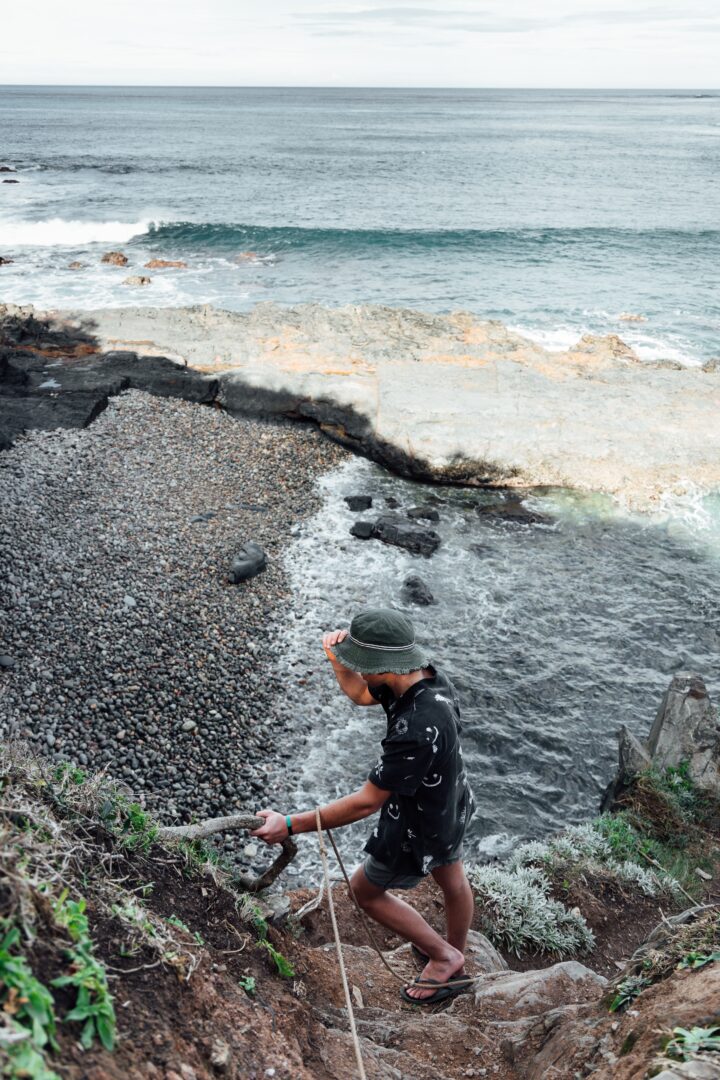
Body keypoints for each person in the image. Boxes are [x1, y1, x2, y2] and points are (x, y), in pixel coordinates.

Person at [251, 607, 476, 1004]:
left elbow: (365, 803)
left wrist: (289, 823)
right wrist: (339, 663)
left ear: (385, 666)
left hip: (417, 821)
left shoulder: (416, 729)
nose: (361, 673)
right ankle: (453, 955)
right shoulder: (426, 679)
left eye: (364, 665)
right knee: (452, 878)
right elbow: (359, 692)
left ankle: (444, 956)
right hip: (449, 801)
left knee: (364, 892)